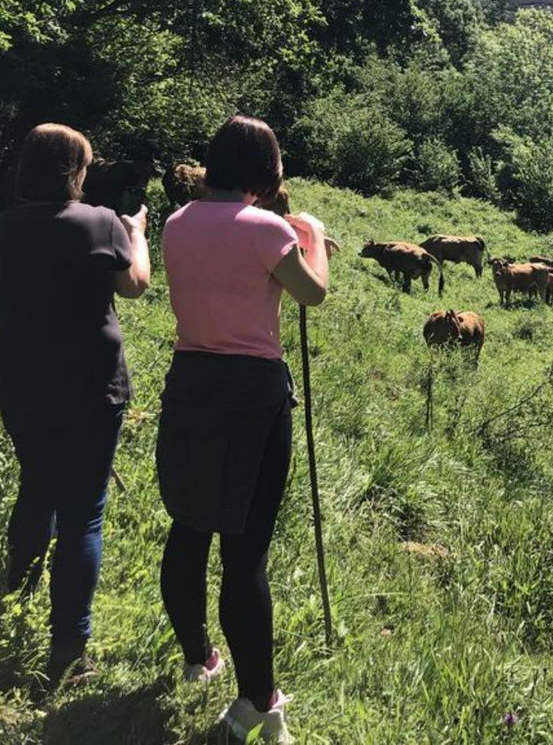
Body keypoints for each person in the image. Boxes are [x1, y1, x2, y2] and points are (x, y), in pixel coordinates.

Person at [0, 123, 150, 686]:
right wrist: (136, 232)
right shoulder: (101, 223)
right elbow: (135, 285)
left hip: (21, 387)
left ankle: (16, 595)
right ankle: (68, 647)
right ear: (75, 173)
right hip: (93, 386)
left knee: (38, 486)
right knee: (83, 512)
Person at [156, 116, 330, 745]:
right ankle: (260, 700)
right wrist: (308, 237)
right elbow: (312, 295)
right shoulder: (267, 229)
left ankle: (198, 655)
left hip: (190, 381)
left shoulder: (176, 224)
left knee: (190, 524)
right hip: (252, 396)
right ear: (267, 169)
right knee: (246, 550)